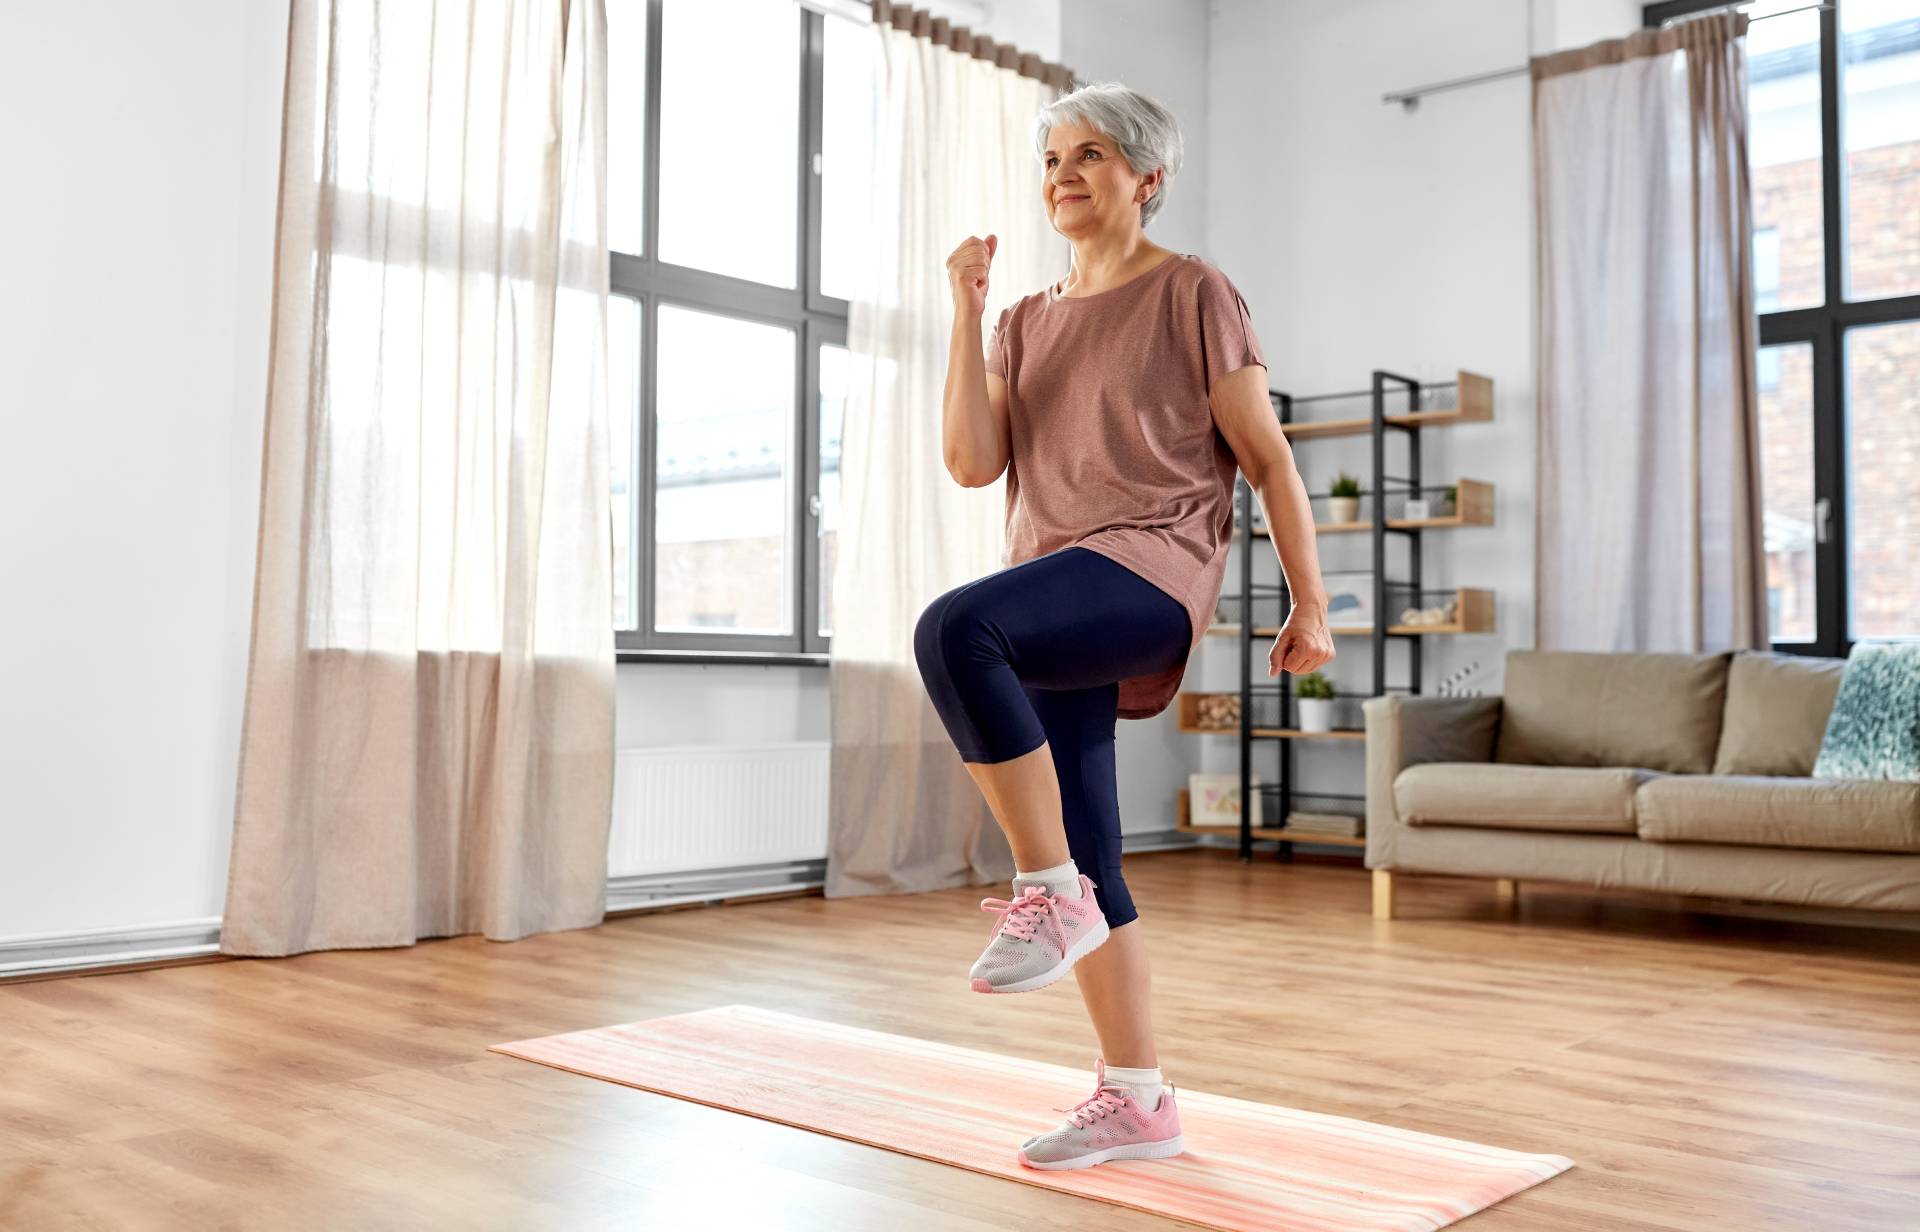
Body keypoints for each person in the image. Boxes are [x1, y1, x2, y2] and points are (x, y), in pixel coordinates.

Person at [914, 80, 1335, 1170]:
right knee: (1096, 844)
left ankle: (1046, 892)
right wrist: (965, 309)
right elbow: (972, 462)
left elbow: (1268, 457)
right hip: (1054, 591)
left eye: (1091, 154)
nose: (1064, 172)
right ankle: (1139, 1099)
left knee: (954, 631)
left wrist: (1312, 601)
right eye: (1053, 156)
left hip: (1150, 569)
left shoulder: (1195, 291)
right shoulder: (1025, 319)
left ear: (1148, 179)